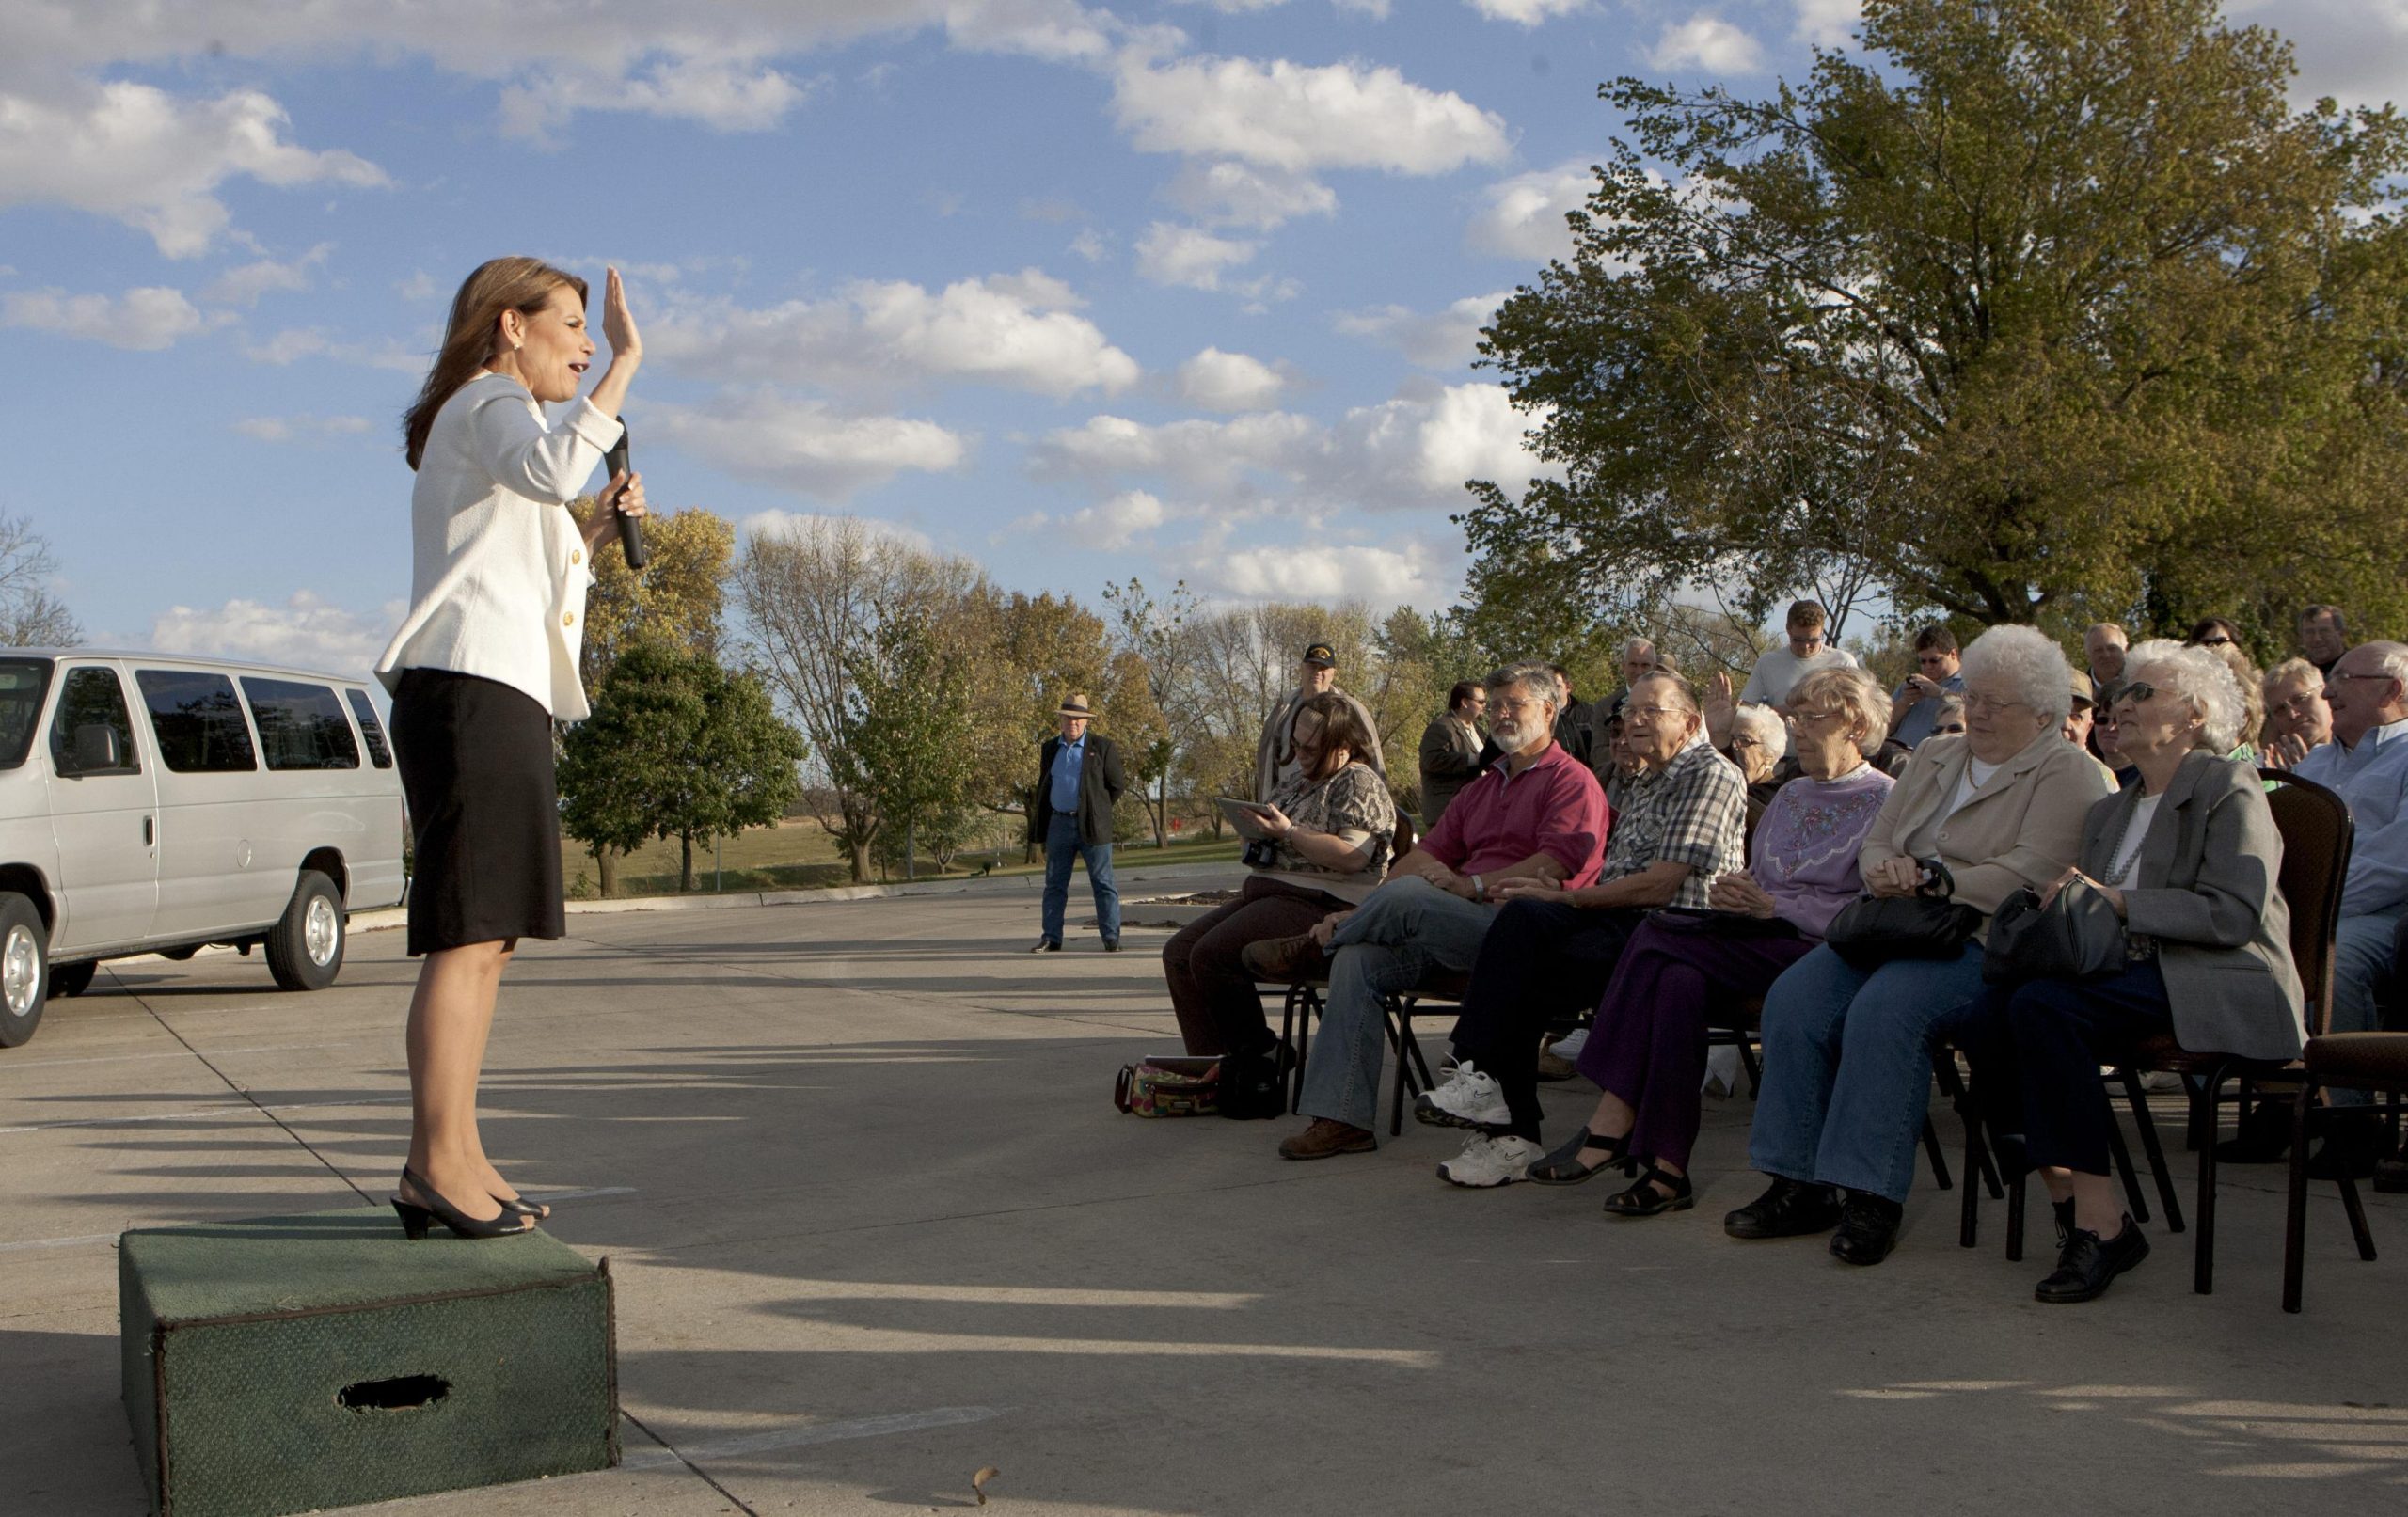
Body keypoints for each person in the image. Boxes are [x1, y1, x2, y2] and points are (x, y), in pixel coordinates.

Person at [376, 258, 647, 1240]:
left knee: (489, 937)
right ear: (510, 326)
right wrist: (625, 368)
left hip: (500, 693)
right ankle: (432, 1162)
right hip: (467, 692)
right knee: (467, 934)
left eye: (591, 332)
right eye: (571, 325)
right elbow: (549, 470)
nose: (584, 345)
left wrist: (592, 529)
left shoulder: (504, 422)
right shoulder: (490, 399)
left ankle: (458, 1151)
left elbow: (530, 549)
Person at [1728, 625, 2115, 1267]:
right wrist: (1884, 869)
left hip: (1986, 941)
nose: (1978, 711)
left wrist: (1939, 879)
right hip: (1895, 925)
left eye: (1997, 702)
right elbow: (1880, 838)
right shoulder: (1937, 753)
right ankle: (1796, 1182)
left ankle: (1870, 1194)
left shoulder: (2069, 772)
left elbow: (2036, 871)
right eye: (1975, 696)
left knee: (1888, 1010)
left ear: (2043, 714)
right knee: (1796, 996)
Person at [1954, 642, 2302, 1303]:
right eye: (2122, 693)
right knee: (1985, 1014)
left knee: (2044, 1006)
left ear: (2195, 715)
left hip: (2215, 974)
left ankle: (2100, 1225)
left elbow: (2232, 914)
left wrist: (2117, 901)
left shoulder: (2230, 787)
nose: (2122, 704)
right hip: (2123, 970)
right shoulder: (2112, 809)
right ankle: (2073, 1197)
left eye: (2144, 692)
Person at [1529, 667, 1895, 1212]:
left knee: (1657, 932)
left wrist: (1775, 906)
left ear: (1857, 726)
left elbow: (1873, 907)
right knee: (1675, 981)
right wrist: (1737, 892)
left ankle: (1612, 1117)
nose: (1797, 730)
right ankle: (1668, 1170)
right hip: (1758, 937)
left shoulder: (1886, 799)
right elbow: (1762, 875)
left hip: (1824, 952)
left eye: (1812, 719)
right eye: (1795, 718)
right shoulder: (1792, 794)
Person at [1412, 670, 1748, 1187]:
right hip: (1622, 924)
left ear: (1689, 722)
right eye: (1629, 712)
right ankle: (1509, 1132)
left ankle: (1481, 1078)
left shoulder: (1709, 774)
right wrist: (1557, 895)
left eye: (1650, 711)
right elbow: (1616, 877)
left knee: (1527, 934)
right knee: (1521, 930)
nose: (1634, 721)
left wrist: (1567, 897)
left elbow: (1661, 886)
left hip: (1675, 934)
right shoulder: (1644, 780)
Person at [1262, 662, 1608, 1161]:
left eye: (1515, 704)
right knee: (1357, 958)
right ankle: (1342, 1120)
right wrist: (1371, 908)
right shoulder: (1483, 787)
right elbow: (1423, 856)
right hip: (1454, 926)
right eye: (1495, 706)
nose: (1502, 714)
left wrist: (1472, 885)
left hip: (1522, 931)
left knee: (1407, 897)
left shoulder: (1571, 781)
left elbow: (1558, 862)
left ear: (1549, 711)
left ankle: (1320, 942)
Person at [2233, 640, 2408, 1175]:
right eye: (2331, 681)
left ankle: (2353, 1122)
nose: (2329, 692)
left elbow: (2397, 862)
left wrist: (2314, 909)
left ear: (2394, 689)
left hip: (2384, 916)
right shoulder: (2318, 762)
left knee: (2337, 960)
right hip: (2308, 913)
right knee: (2242, 951)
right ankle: (2283, 1100)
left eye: (2346, 679)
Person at [1163, 694, 1394, 1093]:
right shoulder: (1297, 781)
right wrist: (1254, 832)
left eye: (1311, 748)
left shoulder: (1357, 781)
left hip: (1324, 903)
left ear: (1342, 746)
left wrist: (1289, 832)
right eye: (1295, 745)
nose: (1299, 755)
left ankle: (1259, 1055)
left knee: (1212, 955)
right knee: (1179, 952)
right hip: (1272, 894)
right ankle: (1215, 1068)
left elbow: (1352, 857)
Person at [1030, 694, 1129, 953]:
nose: (1072, 723)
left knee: (1103, 883)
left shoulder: (1102, 747)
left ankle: (1111, 938)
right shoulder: (1050, 748)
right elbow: (1045, 784)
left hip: (1093, 826)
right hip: (1059, 824)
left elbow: (1117, 785)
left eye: (1078, 719)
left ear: (1086, 721)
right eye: (1068, 718)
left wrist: (1096, 810)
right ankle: (1051, 937)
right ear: (1061, 721)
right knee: (1054, 884)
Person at [1255, 642, 1383, 799]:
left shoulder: (1351, 711)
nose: (1317, 672)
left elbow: (1373, 758)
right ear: (1302, 668)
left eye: (1323, 668)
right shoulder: (1283, 710)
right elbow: (1268, 762)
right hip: (1287, 799)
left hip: (1333, 799)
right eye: (1312, 666)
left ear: (1333, 673)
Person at [1739, 600, 1861, 713]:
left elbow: (1859, 710)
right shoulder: (1767, 663)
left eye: (1813, 640)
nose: (1805, 646)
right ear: (1788, 629)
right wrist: (1778, 713)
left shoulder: (1843, 663)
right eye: (1798, 640)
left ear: (1822, 631)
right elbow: (1746, 709)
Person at [1418, 681, 1487, 825]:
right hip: (1447, 813)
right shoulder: (1440, 727)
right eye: (1480, 702)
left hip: (1475, 810)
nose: (1484, 706)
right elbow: (1431, 761)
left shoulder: (1478, 731)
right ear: (1464, 702)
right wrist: (1473, 759)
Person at [1889, 625, 1967, 751]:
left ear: (1953, 654)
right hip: (1898, 757)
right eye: (1923, 661)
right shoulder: (1911, 686)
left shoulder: (1968, 682)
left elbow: (1973, 709)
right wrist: (1904, 702)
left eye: (1934, 661)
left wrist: (1940, 693)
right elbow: (1881, 728)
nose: (1928, 667)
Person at [2261, 658, 2333, 770]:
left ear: (2324, 692)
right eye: (2280, 709)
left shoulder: (2359, 750)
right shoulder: (2269, 769)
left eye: (2300, 699)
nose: (2292, 714)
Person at [1723, 703, 1786, 807]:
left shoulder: (1773, 797)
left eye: (1745, 741)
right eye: (1732, 738)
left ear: (1768, 756)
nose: (1734, 745)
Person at [2299, 604, 2348, 677]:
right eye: (2310, 632)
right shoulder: (2297, 676)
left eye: (2324, 631)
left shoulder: (2357, 670)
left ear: (2341, 634)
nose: (2317, 639)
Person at [2085, 623, 2130, 704]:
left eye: (2112, 648)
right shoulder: (2078, 691)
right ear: (2088, 655)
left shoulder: (2139, 683)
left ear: (2125, 650)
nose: (2106, 655)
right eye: (2098, 650)